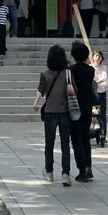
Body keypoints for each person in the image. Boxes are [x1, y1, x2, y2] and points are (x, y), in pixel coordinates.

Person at [34, 45, 72, 186]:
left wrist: (35, 103)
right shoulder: (67, 73)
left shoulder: (45, 74)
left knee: (49, 143)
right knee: (65, 144)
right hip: (64, 112)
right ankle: (66, 174)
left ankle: (49, 171)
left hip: (50, 112)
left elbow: (40, 90)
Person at [69, 41, 97, 182]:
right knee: (85, 137)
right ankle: (89, 167)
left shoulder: (71, 70)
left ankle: (81, 169)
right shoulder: (90, 70)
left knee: (75, 138)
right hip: (87, 105)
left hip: (74, 106)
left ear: (73, 55)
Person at [92, 49, 108, 145]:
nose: (98, 58)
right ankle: (92, 133)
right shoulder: (90, 67)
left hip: (102, 93)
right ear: (93, 57)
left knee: (102, 115)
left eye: (99, 56)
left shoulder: (104, 67)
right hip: (92, 93)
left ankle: (103, 135)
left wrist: (96, 82)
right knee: (92, 114)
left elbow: (104, 78)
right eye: (96, 56)